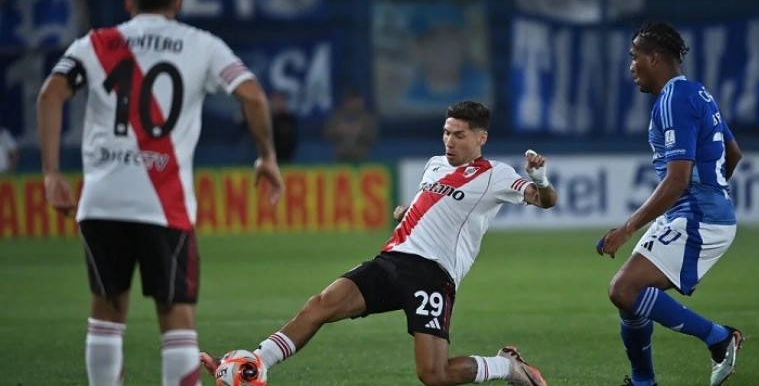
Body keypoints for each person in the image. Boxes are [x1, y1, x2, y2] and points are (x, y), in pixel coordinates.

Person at [36, 0, 284, 386]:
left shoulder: (94, 43)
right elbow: (254, 97)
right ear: (178, 0)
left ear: (128, 1)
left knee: (107, 310)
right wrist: (266, 155)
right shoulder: (202, 44)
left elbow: (49, 95)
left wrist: (52, 172)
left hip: (101, 200)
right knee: (176, 316)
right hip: (163, 204)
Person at [202, 101, 558, 386]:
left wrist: (539, 179)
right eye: (446, 133)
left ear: (481, 138)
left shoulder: (495, 175)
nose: (450, 141)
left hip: (431, 276)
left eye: (460, 135)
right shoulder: (434, 165)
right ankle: (252, 364)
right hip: (392, 261)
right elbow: (430, 204)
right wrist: (408, 210)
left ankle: (505, 367)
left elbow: (545, 200)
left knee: (433, 375)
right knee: (319, 305)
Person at [596, 22, 744, 386]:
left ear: (655, 58)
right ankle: (642, 381)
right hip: (696, 211)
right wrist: (714, 187)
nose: (631, 67)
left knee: (623, 289)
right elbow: (733, 152)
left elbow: (677, 179)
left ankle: (719, 338)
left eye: (634, 58)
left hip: (698, 217)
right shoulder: (697, 93)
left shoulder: (672, 100)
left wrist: (627, 229)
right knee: (630, 295)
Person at [323, 90, 378, 162]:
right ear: (347, 102)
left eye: (357, 101)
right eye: (352, 102)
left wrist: (359, 132)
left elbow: (372, 137)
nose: (355, 104)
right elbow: (327, 133)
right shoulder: (337, 117)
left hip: (361, 157)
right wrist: (339, 130)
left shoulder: (368, 119)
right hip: (341, 156)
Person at [269, 90, 299, 163]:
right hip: (270, 155)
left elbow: (294, 137)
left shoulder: (289, 119)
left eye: (280, 101)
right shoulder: (267, 119)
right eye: (276, 101)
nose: (278, 104)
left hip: (287, 156)